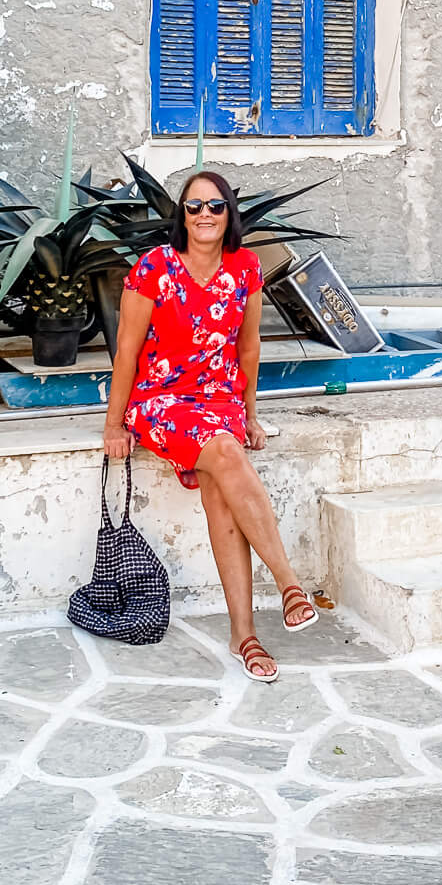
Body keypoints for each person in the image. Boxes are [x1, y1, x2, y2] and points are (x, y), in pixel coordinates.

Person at [102, 169, 317, 681]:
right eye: (194, 207)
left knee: (223, 480)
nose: (204, 215)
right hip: (162, 400)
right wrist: (114, 425)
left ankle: (244, 635)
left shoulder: (244, 268)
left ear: (228, 215)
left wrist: (251, 414)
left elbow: (248, 347)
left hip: (218, 400)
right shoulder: (154, 267)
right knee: (224, 454)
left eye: (214, 206)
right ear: (182, 214)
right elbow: (126, 351)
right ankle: (288, 584)